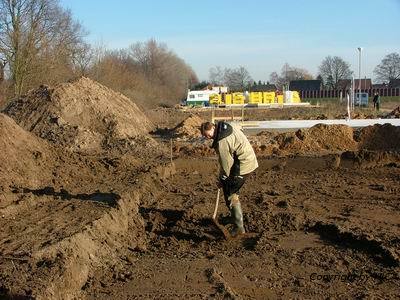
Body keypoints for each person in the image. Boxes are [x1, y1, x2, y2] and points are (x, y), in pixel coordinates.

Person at [200, 121, 258, 236]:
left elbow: (226, 163)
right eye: (205, 136)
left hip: (243, 164)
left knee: (230, 192)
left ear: (213, 128)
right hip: (248, 158)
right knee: (230, 188)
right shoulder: (226, 126)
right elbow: (239, 127)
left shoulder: (222, 141)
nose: (207, 137)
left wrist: (222, 179)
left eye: (208, 135)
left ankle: (238, 227)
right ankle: (234, 217)